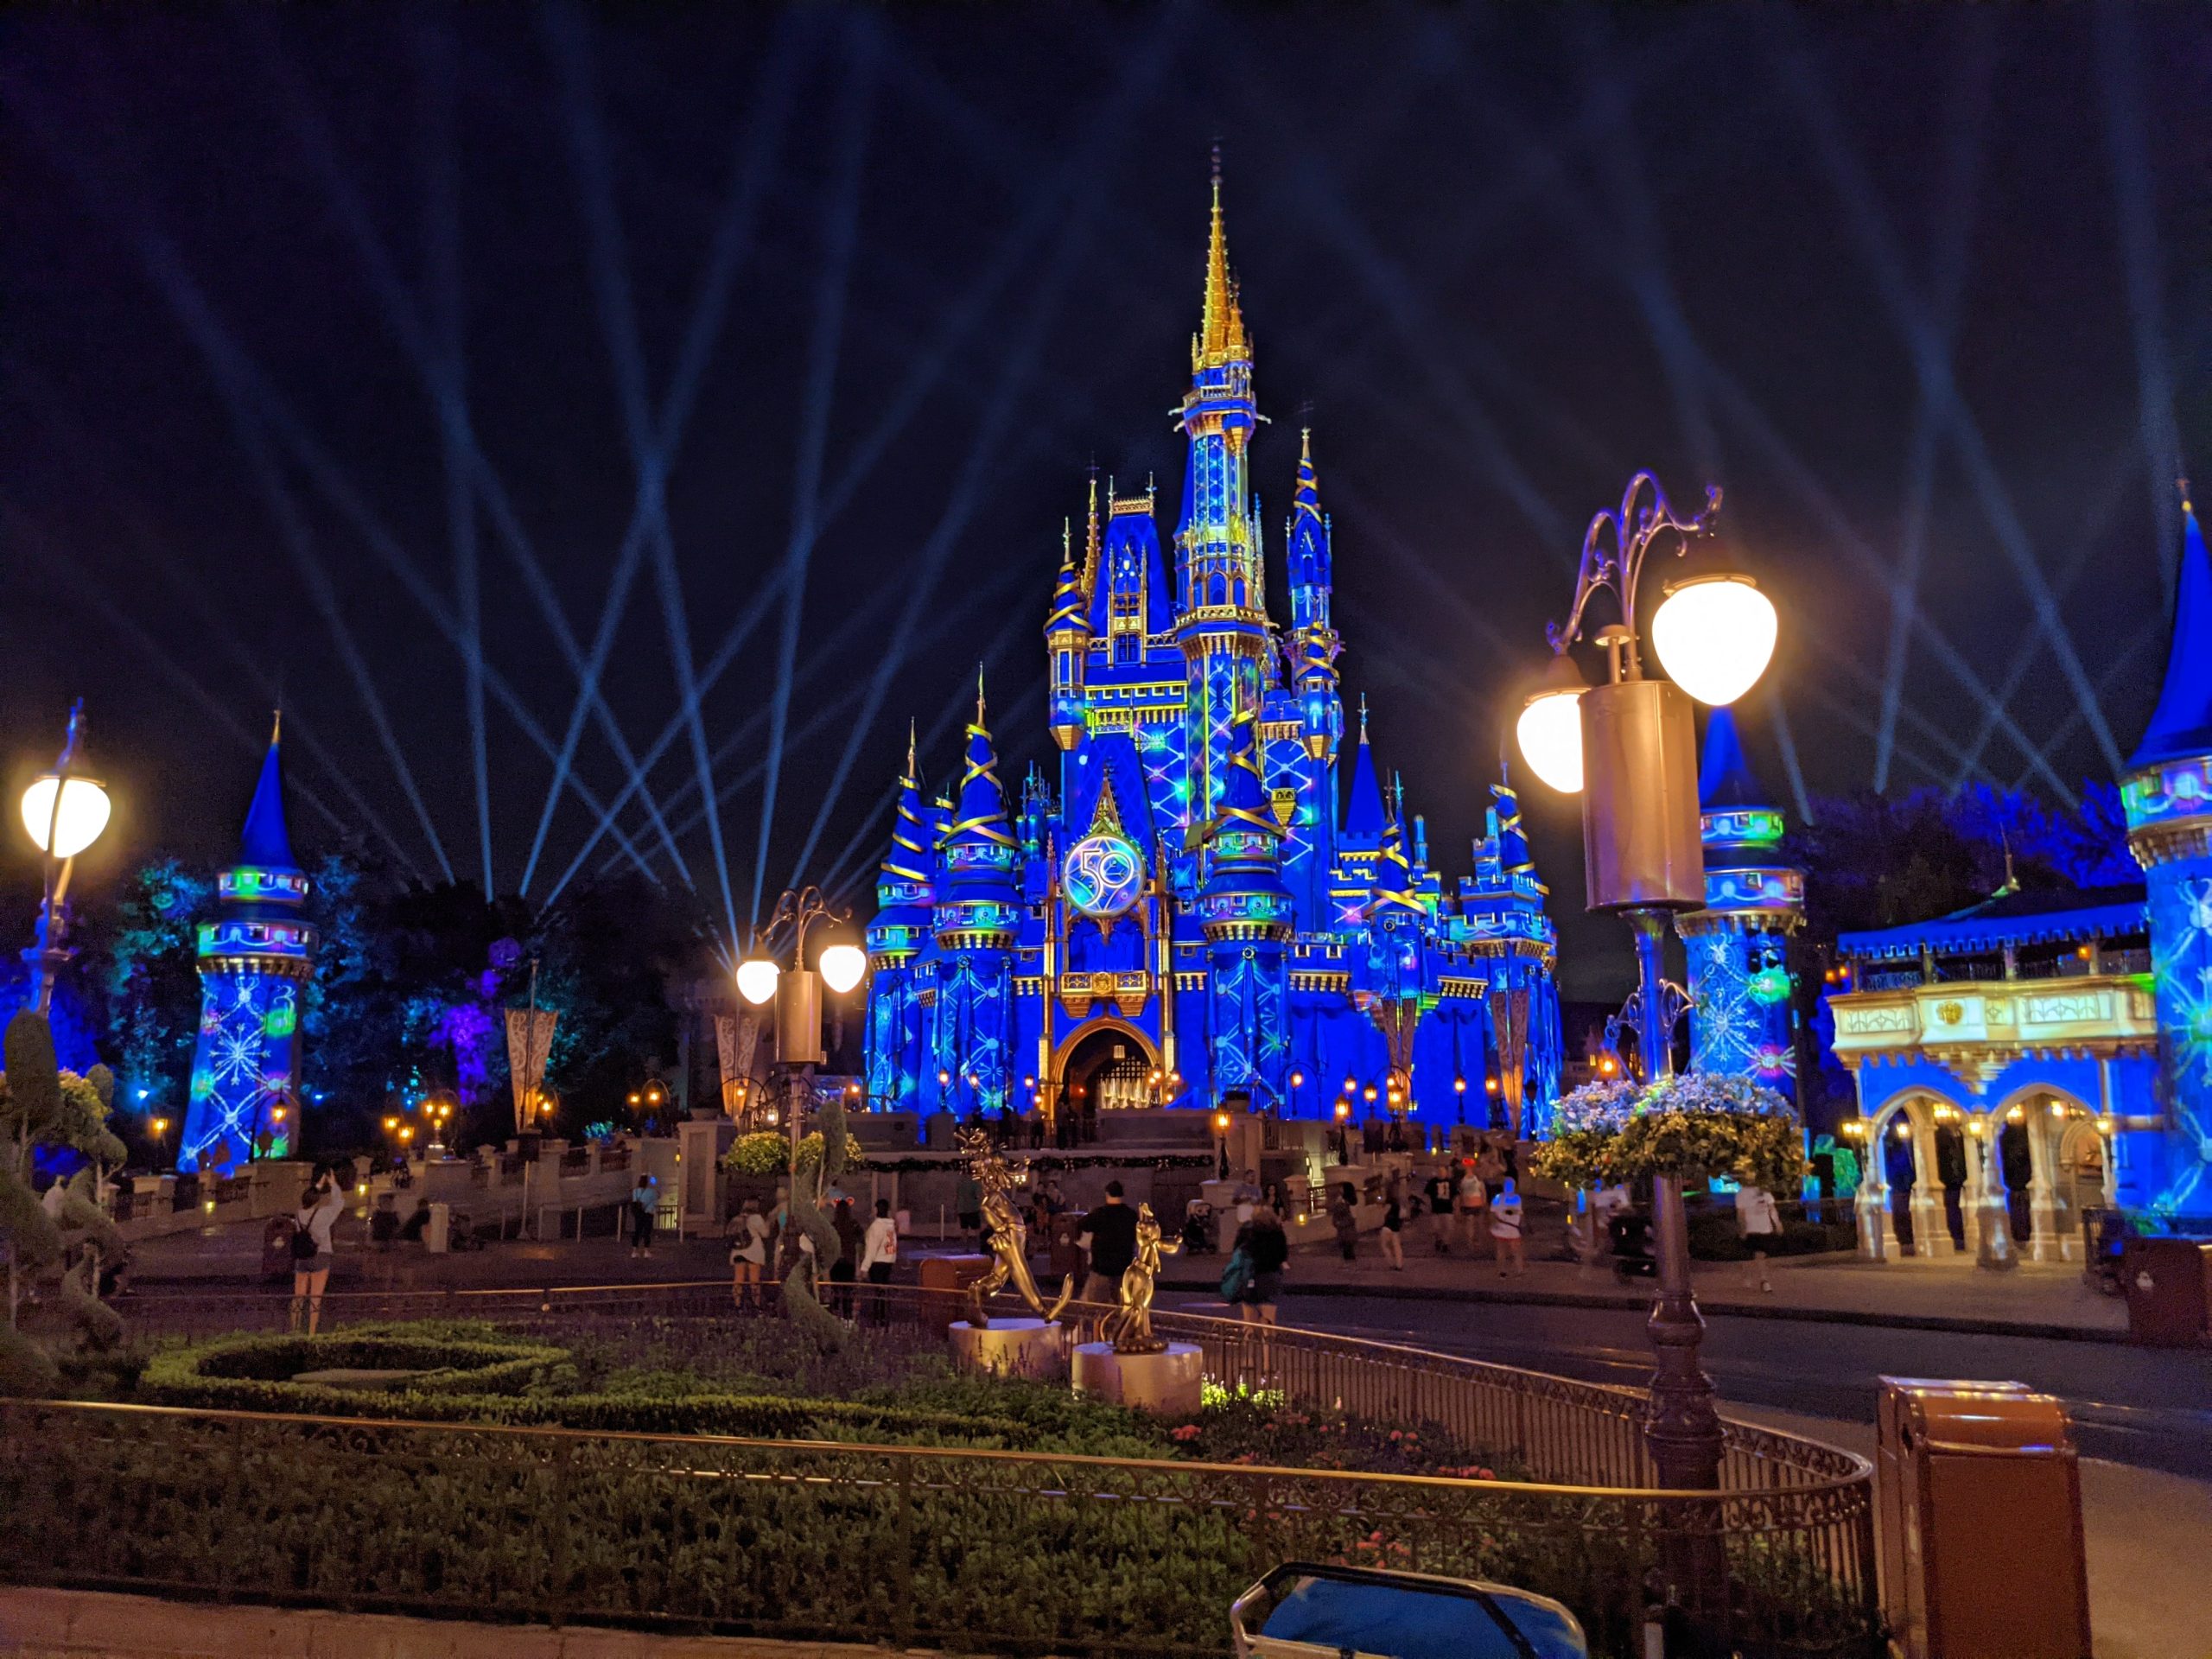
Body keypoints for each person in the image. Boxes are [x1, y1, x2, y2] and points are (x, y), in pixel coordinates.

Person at [289, 1167, 345, 1335]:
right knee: (315, 1298)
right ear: (317, 1200)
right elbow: (338, 1204)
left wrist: (317, 1187)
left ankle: (295, 1329)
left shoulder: (299, 1214)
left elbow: (308, 1199)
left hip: (302, 1257)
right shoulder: (324, 1214)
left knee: (298, 1297)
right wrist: (333, 1184)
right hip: (320, 1256)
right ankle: (312, 1333)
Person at [1077, 1180, 1141, 1305]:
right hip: (1124, 1268)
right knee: (1123, 1305)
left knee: (1095, 1306)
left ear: (1107, 1194)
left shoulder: (1099, 1214)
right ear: (1122, 1195)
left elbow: (1082, 1224)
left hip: (1102, 1268)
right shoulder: (1131, 1215)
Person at [1230, 1205, 1288, 1328]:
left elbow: (1237, 1252)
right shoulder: (1277, 1231)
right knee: (1268, 1318)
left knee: (1249, 1319)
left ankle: (1250, 1339)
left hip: (1249, 1276)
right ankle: (1267, 1339)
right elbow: (1282, 1254)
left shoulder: (1245, 1231)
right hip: (1270, 1276)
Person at [859, 1198, 899, 1323]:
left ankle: (878, 1317)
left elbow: (871, 1249)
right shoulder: (890, 1226)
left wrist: (864, 1267)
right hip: (888, 1261)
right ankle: (883, 1317)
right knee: (883, 1291)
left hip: (877, 1262)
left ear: (876, 1210)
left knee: (877, 1292)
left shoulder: (876, 1227)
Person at [1736, 1180, 1782, 1291]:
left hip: (1764, 1229)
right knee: (1751, 1256)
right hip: (1751, 1229)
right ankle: (1752, 1278)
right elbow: (1741, 1214)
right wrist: (1743, 1229)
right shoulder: (1742, 1193)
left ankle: (1763, 1280)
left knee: (1760, 1255)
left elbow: (1772, 1209)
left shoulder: (1765, 1193)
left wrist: (1777, 1224)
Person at [728, 1198, 770, 1310]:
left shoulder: (737, 1218)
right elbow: (765, 1234)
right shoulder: (756, 1218)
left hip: (738, 1250)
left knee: (738, 1279)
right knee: (754, 1279)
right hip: (753, 1251)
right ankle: (756, 1304)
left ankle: (737, 1304)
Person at [830, 1197, 864, 1318]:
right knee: (848, 1291)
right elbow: (861, 1241)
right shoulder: (854, 1225)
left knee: (835, 1291)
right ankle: (847, 1317)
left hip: (835, 1262)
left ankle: (834, 1315)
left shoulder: (833, 1226)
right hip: (849, 1262)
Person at [1490, 1179, 1526, 1277]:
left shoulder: (1501, 1198)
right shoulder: (1511, 1198)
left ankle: (1511, 1270)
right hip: (1507, 1229)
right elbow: (1518, 1212)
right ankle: (1512, 1270)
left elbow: (1493, 1212)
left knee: (1508, 1250)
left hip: (1508, 1229)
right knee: (1508, 1250)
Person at [368, 1190, 401, 1288]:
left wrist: (397, 1241)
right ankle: (380, 1277)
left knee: (387, 1261)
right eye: (386, 1201)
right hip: (378, 1240)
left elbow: (397, 1229)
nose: (388, 1204)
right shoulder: (377, 1214)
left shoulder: (393, 1216)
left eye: (389, 1202)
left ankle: (386, 1280)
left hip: (388, 1241)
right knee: (379, 1260)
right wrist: (369, 1239)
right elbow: (372, 1228)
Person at [1457, 1161, 1489, 1254]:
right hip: (1467, 1204)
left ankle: (1478, 1241)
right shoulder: (1462, 1180)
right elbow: (1460, 1193)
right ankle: (1470, 1242)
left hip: (1478, 1204)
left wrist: (1484, 1202)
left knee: (1479, 1224)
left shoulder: (1478, 1180)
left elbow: (1483, 1192)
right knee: (1470, 1224)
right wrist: (1459, 1204)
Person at [628, 1173, 658, 1259]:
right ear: (647, 1182)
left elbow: (635, 1202)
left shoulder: (635, 1191)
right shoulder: (652, 1191)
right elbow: (657, 1196)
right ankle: (646, 1251)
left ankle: (634, 1251)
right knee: (647, 1232)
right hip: (648, 1213)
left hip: (639, 1214)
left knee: (637, 1231)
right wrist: (654, 1184)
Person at [1328, 1182, 1358, 1262]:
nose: (1340, 1189)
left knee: (1348, 1248)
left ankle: (1350, 1263)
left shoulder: (1351, 1202)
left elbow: (1353, 1217)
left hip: (1348, 1229)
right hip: (1343, 1229)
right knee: (1346, 1249)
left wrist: (1341, 1223)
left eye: (1342, 1188)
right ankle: (1349, 1263)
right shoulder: (1340, 1200)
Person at [1377, 1185, 1405, 1269]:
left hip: (1387, 1227)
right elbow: (1402, 1215)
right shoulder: (1398, 1205)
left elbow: (1382, 1216)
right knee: (1397, 1247)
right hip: (1395, 1228)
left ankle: (1391, 1263)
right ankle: (1399, 1265)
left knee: (1385, 1246)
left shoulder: (1387, 1205)